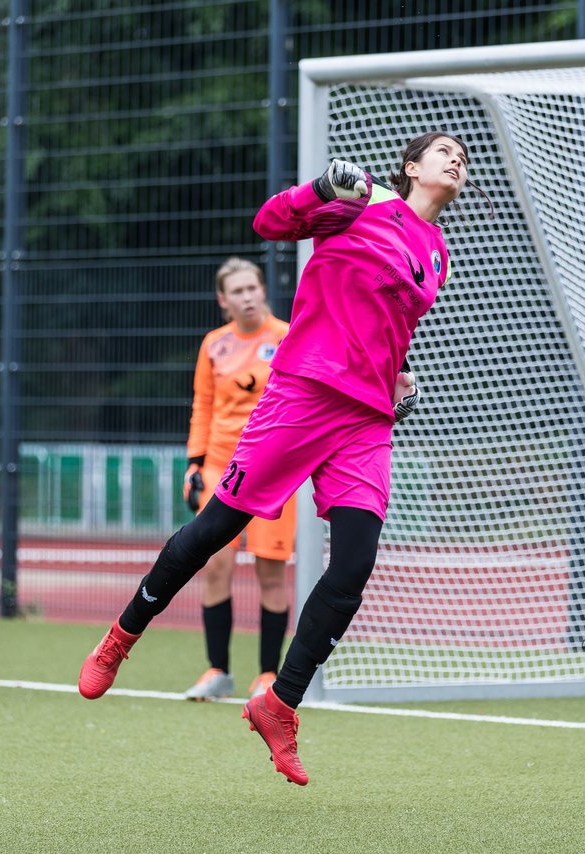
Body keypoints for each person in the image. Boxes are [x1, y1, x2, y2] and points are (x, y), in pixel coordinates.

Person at [79, 131, 480, 785]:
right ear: (411, 167)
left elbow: (391, 326)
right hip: (302, 395)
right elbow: (271, 222)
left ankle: (279, 702)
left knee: (353, 564)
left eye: (464, 156)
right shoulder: (363, 201)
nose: (457, 159)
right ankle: (121, 636)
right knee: (216, 529)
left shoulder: (440, 255)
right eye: (444, 151)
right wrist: (319, 188)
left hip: (365, 420)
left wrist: (400, 374)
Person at [181, 257, 296, 701]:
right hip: (220, 469)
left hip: (274, 469)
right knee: (215, 567)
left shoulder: (288, 336)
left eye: (253, 288)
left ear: (263, 290)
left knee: (271, 572)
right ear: (223, 300)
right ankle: (217, 671)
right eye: (238, 291)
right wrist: (194, 464)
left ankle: (268, 674)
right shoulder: (213, 344)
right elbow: (203, 407)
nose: (247, 297)